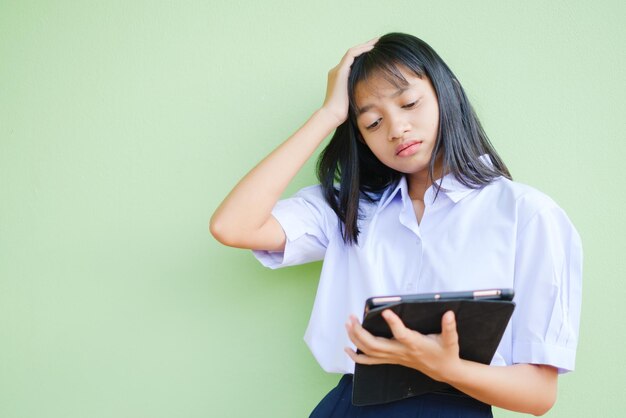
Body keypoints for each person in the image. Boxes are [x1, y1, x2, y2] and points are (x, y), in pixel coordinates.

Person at [210, 33, 582, 417]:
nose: (396, 128)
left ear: (447, 92)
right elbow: (232, 226)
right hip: (350, 405)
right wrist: (328, 115)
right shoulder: (350, 206)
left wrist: (445, 367)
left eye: (409, 103)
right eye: (372, 122)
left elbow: (539, 395)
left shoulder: (527, 214)